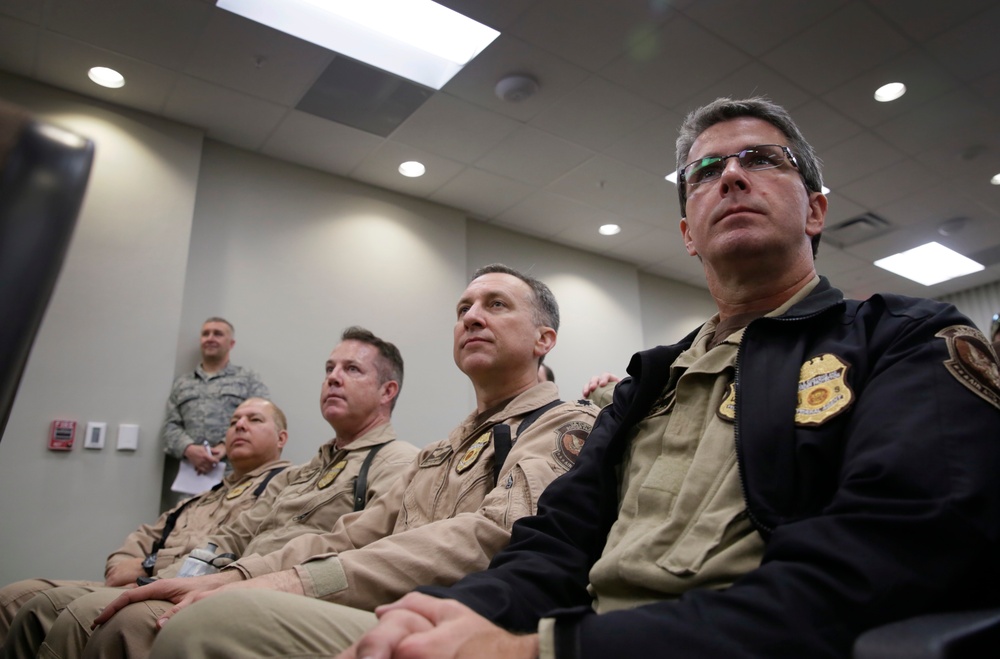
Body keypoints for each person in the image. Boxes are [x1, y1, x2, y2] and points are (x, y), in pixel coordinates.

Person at [166, 97, 1000, 659]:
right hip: (571, 630)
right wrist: (471, 610)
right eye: (706, 172)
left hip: (707, 642)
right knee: (213, 623)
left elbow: (889, 560)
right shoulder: (653, 379)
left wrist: (540, 646)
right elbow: (555, 546)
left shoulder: (904, 337)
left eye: (762, 160)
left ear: (815, 208)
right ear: (686, 230)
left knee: (208, 630)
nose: (732, 177)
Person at [78, 264, 599, 659]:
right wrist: (234, 575)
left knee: (195, 628)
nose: (472, 317)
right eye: (463, 309)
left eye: (496, 305)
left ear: (543, 339)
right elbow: (349, 535)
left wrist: (298, 582)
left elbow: (492, 536)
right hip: (373, 600)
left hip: (464, 620)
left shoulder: (563, 425)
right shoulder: (442, 450)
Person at [5, 327, 418, 658]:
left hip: (284, 595)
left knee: (102, 619)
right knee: (33, 604)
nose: (332, 377)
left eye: (352, 370)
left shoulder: (396, 462)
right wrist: (174, 578)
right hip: (230, 584)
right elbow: (235, 534)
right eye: (329, 367)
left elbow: (351, 548)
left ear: (387, 392)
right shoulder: (311, 468)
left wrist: (230, 578)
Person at [0, 396, 291, 651]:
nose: (239, 426)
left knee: (52, 609)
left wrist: (150, 564)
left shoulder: (285, 487)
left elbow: (243, 553)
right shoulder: (203, 496)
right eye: (233, 421)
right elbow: (137, 542)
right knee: (13, 598)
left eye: (254, 420)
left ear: (281, 438)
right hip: (139, 583)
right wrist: (127, 568)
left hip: (185, 591)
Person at [161, 317, 269, 504]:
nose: (210, 338)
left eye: (218, 334)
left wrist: (224, 446)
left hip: (237, 479)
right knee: (186, 530)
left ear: (231, 343)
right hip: (191, 482)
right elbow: (171, 426)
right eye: (205, 334)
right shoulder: (183, 383)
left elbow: (263, 420)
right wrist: (189, 449)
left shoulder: (248, 380)